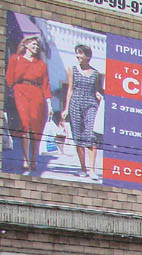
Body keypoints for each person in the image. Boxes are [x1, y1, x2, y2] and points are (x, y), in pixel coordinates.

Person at [6, 33, 52, 175]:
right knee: (25, 124)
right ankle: (25, 159)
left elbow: (46, 84)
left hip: (37, 95)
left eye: (37, 45)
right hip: (20, 92)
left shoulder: (41, 65)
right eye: (33, 43)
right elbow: (9, 78)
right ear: (25, 44)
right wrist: (12, 91)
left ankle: (33, 159)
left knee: (35, 128)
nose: (36, 46)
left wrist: (49, 104)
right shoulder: (16, 58)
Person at [61, 44, 103, 180]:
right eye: (76, 53)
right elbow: (70, 89)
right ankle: (83, 168)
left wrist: (98, 95)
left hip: (91, 104)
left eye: (80, 53)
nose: (78, 56)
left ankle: (92, 169)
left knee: (91, 136)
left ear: (88, 56)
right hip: (75, 104)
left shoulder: (96, 73)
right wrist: (66, 108)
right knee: (78, 136)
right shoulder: (72, 69)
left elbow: (96, 89)